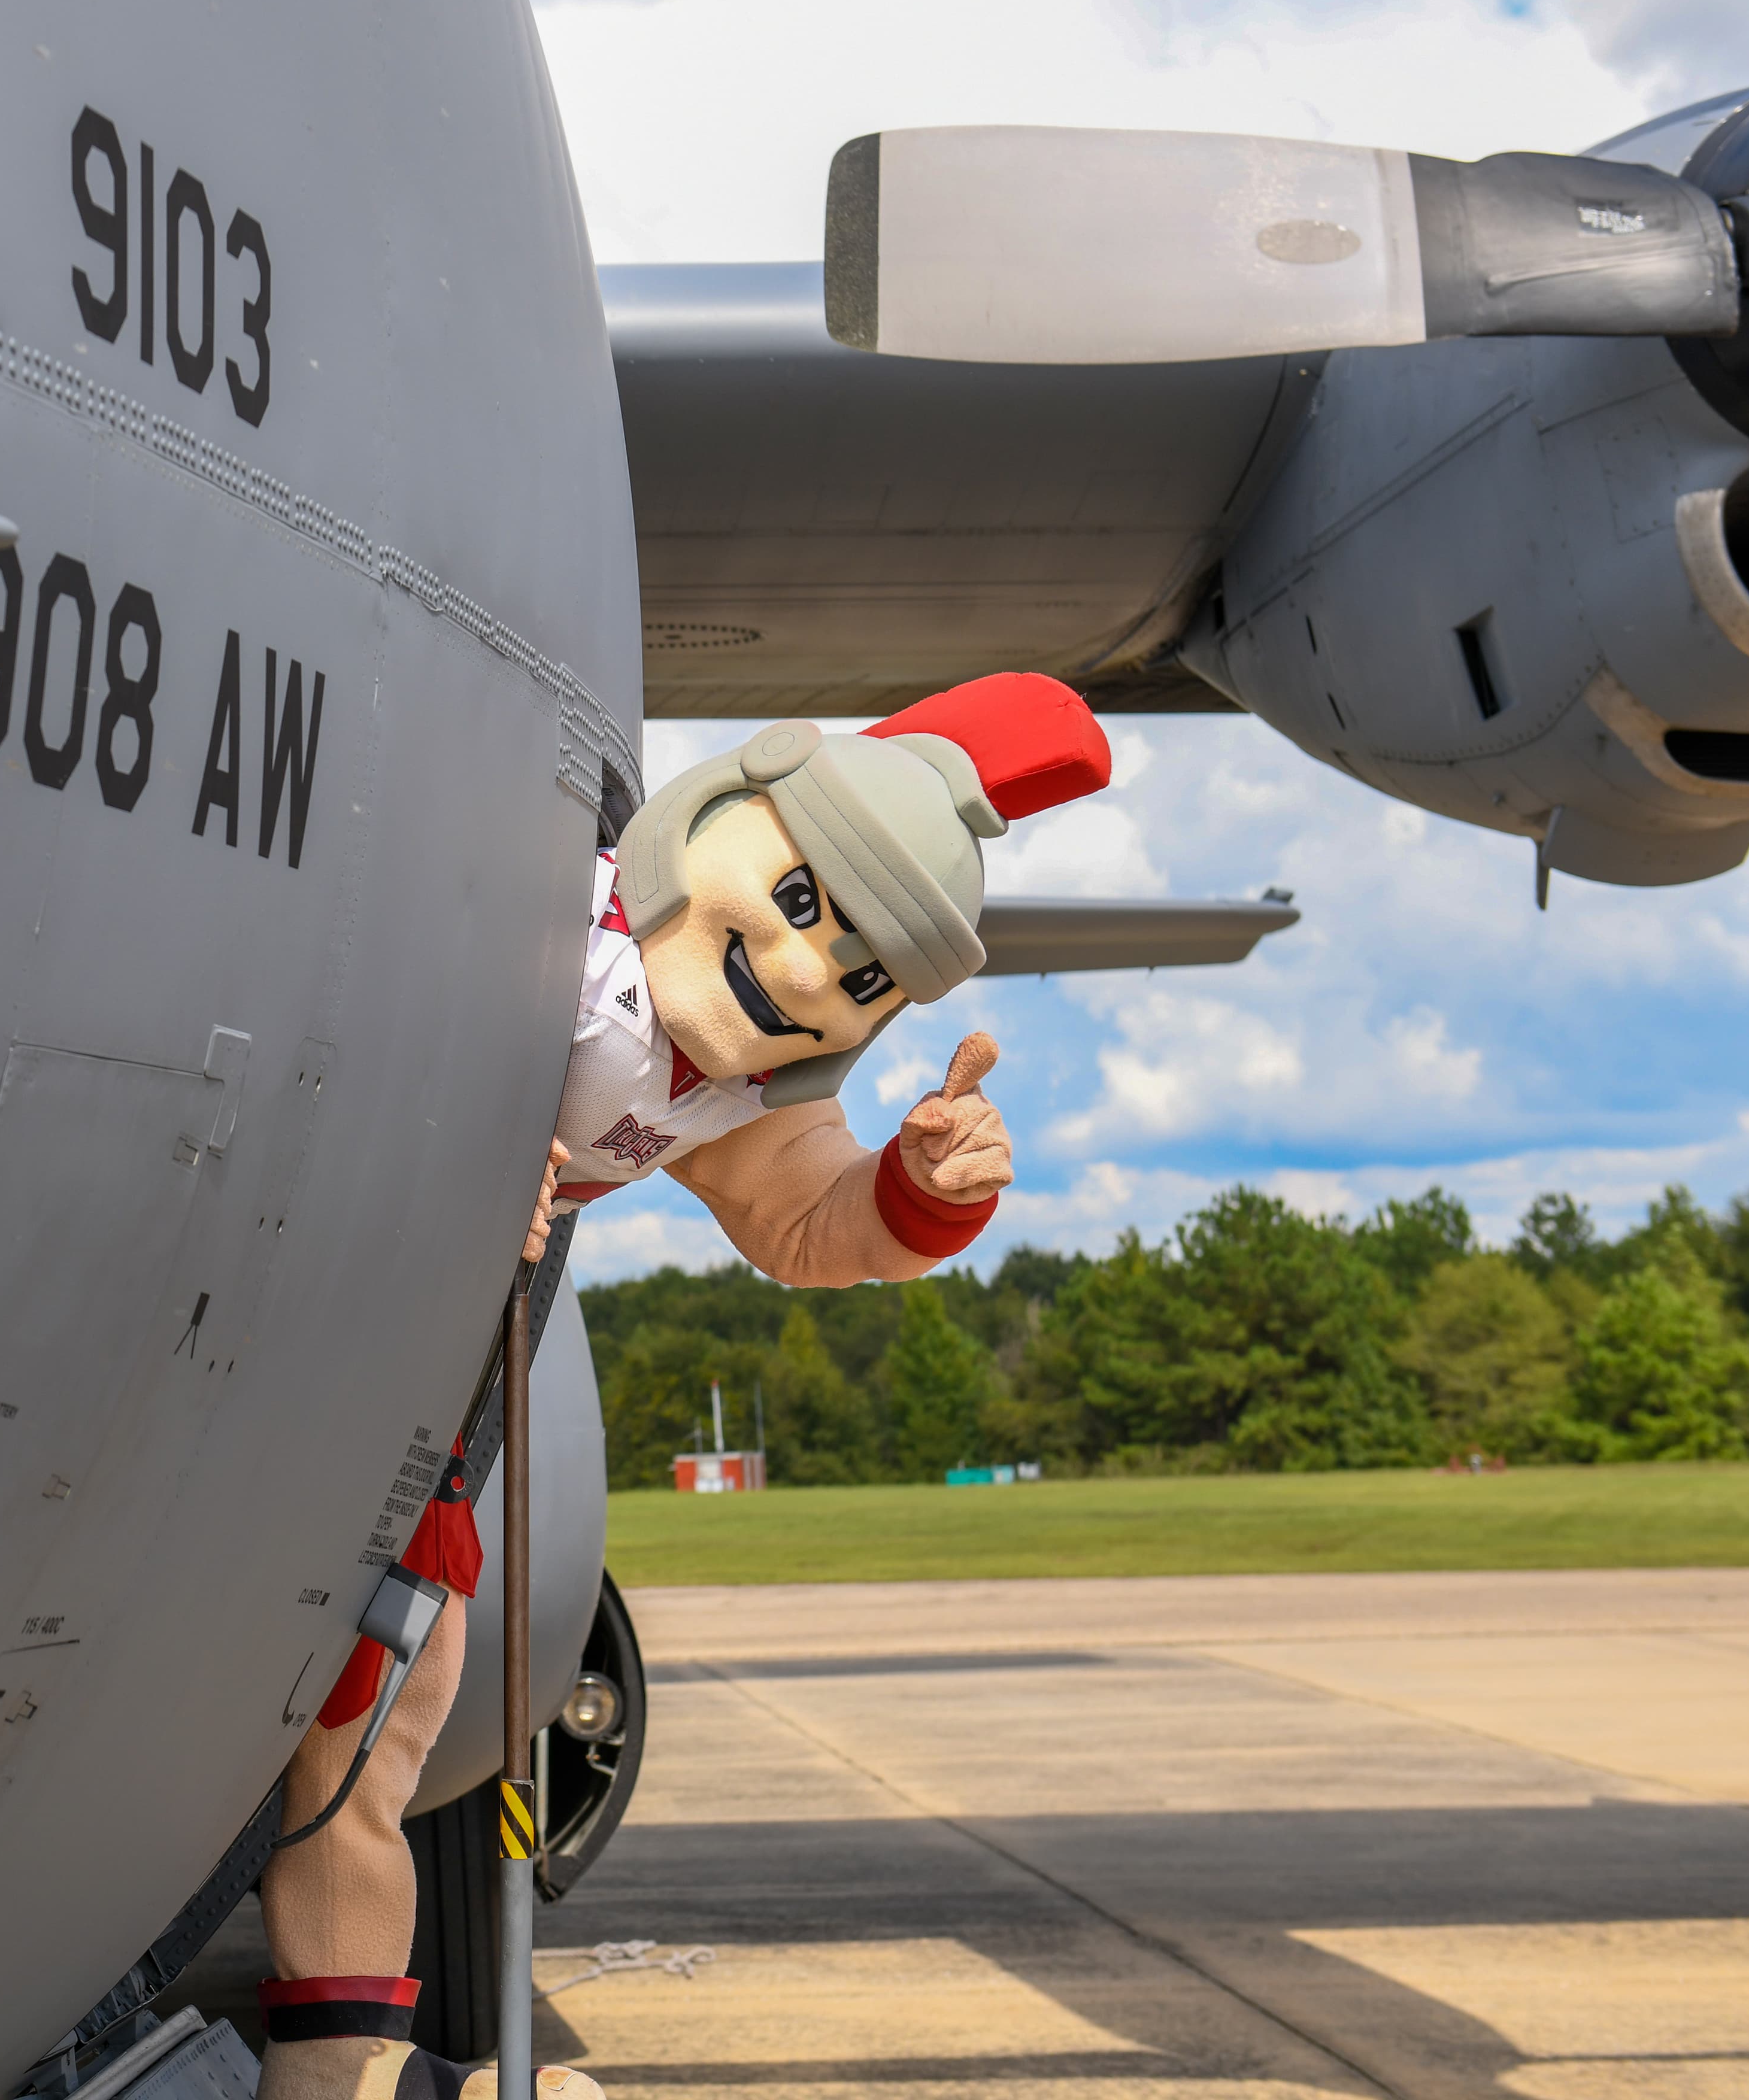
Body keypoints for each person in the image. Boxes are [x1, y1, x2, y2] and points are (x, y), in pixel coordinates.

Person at [250, 674, 1115, 2100]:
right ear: (718, 813)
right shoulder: (537, 899)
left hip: (398, 1379)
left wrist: (915, 1187)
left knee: (395, 1693)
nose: (797, 971)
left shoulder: (732, 1084)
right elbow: (347, 973)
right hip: (289, 1301)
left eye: (858, 978)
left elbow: (800, 1220)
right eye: (795, 897)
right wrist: (448, 1130)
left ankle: (333, 2060)